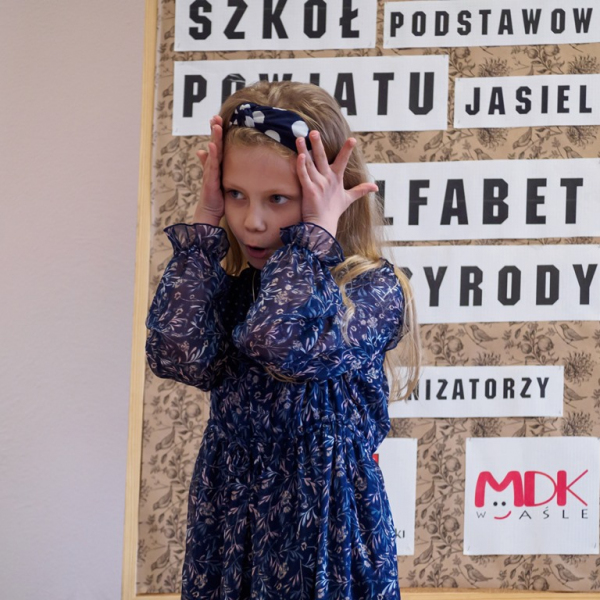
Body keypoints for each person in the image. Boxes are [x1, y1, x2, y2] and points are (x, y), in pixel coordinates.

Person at [145, 80, 420, 600]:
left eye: (279, 199)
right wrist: (205, 221)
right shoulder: (235, 287)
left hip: (326, 532)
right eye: (235, 194)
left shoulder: (372, 290)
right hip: (232, 523)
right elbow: (175, 353)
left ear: (332, 195)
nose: (253, 222)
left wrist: (314, 237)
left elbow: (279, 342)